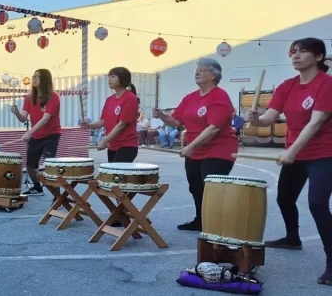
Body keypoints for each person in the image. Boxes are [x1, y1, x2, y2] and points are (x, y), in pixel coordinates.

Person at [244, 37, 332, 285]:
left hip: (325, 153)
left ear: (318, 57)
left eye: (303, 51)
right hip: (296, 151)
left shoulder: (326, 84)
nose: (295, 55)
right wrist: (254, 118)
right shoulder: (287, 86)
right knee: (284, 198)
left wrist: (291, 151)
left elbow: (315, 123)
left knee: (317, 203)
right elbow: (268, 118)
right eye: (294, 51)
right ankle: (292, 238)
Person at [153, 58, 238, 231]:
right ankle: (201, 220)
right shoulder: (190, 98)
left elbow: (213, 128)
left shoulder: (220, 96)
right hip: (195, 150)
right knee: (196, 187)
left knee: (211, 188)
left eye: (203, 70)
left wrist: (190, 147)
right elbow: (176, 121)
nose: (197, 72)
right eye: (196, 70)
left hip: (219, 149)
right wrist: (162, 116)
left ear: (214, 75)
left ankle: (216, 225)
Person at [10, 68, 62, 196]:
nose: (34, 78)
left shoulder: (53, 97)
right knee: (30, 165)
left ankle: (57, 195)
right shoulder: (29, 98)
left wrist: (29, 133)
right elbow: (23, 118)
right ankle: (37, 187)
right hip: (36, 135)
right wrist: (16, 112)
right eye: (33, 76)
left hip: (51, 135)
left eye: (37, 76)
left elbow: (45, 119)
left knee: (49, 163)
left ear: (45, 80)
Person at [83, 67, 140, 163]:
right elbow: (103, 121)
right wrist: (89, 125)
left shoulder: (130, 98)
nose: (109, 79)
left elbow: (122, 124)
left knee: (116, 175)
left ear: (123, 79)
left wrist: (104, 141)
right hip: (112, 145)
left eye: (113, 76)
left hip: (127, 145)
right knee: (113, 176)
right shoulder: (109, 100)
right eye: (109, 77)